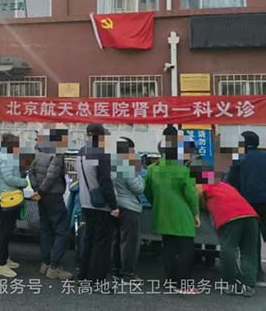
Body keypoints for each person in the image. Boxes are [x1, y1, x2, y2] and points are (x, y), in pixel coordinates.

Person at [144, 125, 200, 293]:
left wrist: (157, 203)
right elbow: (191, 195)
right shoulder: (182, 170)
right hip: (182, 215)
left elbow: (147, 192)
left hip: (161, 215)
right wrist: (195, 213)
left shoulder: (152, 169)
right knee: (185, 250)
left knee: (168, 249)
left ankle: (171, 281)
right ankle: (183, 284)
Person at [196, 178, 259, 297]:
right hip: (251, 215)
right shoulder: (225, 185)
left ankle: (230, 283)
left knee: (228, 249)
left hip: (229, 216)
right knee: (249, 252)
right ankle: (248, 285)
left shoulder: (201, 186)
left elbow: (197, 201)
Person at [76, 123, 118, 282]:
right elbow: (105, 182)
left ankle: (83, 275)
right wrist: (114, 205)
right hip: (100, 205)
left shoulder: (81, 152)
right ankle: (97, 280)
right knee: (101, 244)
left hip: (85, 202)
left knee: (88, 240)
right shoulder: (101, 154)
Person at [28, 129, 72, 280]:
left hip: (42, 197)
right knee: (62, 230)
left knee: (46, 229)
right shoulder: (57, 154)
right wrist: (41, 192)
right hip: (53, 196)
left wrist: (37, 190)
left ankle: (45, 263)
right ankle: (54, 267)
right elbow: (52, 176)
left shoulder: (39, 152)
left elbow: (31, 172)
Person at [229, 131, 266, 286]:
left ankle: (257, 273)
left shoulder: (239, 160)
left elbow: (231, 183)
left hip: (248, 204)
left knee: (253, 241)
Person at [111, 137, 145, 282]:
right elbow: (138, 188)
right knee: (130, 242)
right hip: (129, 208)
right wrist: (139, 173)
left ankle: (116, 270)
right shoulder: (126, 166)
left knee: (116, 240)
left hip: (115, 206)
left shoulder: (111, 163)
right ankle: (128, 273)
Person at [0, 133, 27, 278]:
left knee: (6, 231)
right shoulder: (6, 158)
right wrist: (24, 182)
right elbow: (9, 178)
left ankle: (5, 259)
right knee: (5, 232)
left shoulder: (4, 156)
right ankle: (1, 264)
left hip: (7, 197)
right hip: (9, 198)